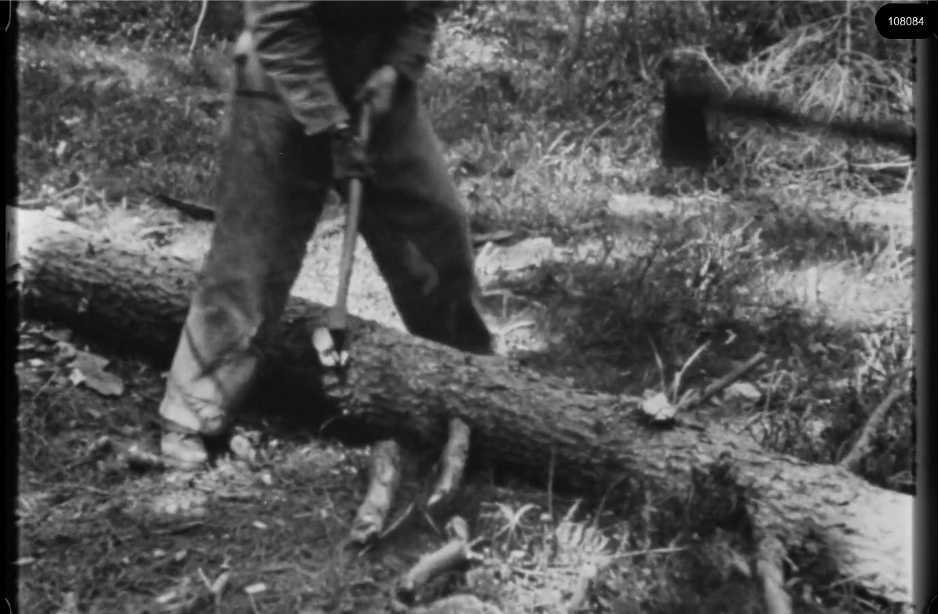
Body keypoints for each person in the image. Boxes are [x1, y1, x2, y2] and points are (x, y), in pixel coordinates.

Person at [159, 0, 494, 468]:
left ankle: (478, 390)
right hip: (279, 79)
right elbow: (277, 23)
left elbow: (423, 9)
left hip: (375, 77)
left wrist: (396, 69)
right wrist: (332, 127)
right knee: (251, 257)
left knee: (436, 227)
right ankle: (193, 413)